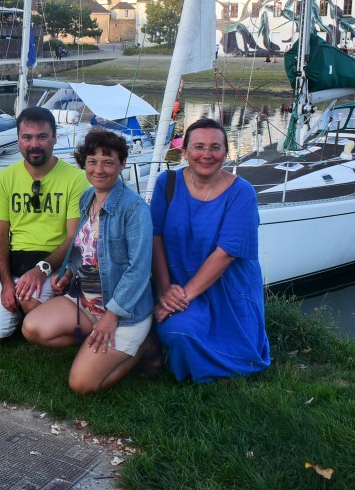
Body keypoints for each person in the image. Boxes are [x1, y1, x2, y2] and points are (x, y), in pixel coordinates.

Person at [22, 130, 154, 393]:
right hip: (86, 303)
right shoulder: (87, 198)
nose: (99, 169)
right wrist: (69, 274)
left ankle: (144, 346)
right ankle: (96, 344)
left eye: (108, 162)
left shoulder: (134, 209)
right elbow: (83, 249)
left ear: (122, 164)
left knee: (81, 384)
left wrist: (111, 316)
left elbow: (138, 270)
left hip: (123, 313)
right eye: (92, 162)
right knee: (32, 328)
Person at [150, 118, 270, 383]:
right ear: (184, 151)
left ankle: (218, 366)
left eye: (215, 147)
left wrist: (180, 300)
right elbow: (155, 235)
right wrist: (164, 289)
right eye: (198, 146)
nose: (207, 154)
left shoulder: (242, 193)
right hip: (175, 283)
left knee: (194, 335)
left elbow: (226, 254)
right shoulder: (167, 183)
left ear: (225, 152)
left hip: (227, 290)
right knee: (177, 331)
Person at [0, 107, 89, 345]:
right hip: (17, 262)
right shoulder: (6, 178)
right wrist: (6, 284)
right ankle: (22, 306)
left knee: (31, 304)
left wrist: (41, 270)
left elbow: (74, 237)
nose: (34, 144)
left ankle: (47, 309)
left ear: (55, 138)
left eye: (42, 137)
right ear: (18, 139)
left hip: (54, 263)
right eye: (27, 137)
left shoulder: (75, 179)